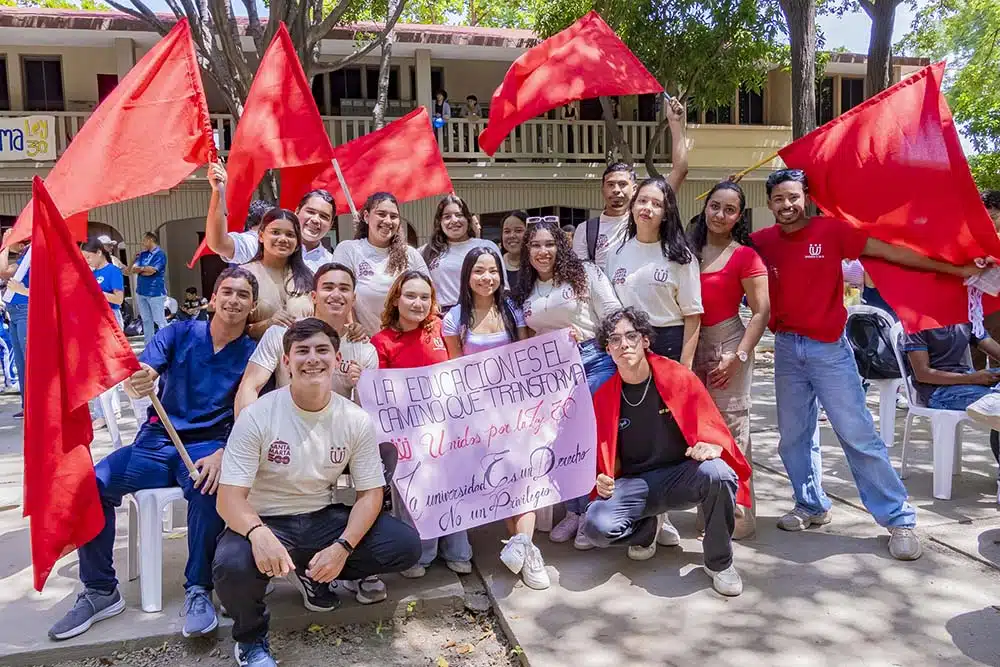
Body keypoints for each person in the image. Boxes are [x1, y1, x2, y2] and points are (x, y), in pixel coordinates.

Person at [750, 168, 983, 560]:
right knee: (793, 437)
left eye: (793, 197)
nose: (787, 205)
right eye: (778, 199)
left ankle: (899, 518)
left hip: (829, 350)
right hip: (787, 349)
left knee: (857, 434)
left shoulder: (832, 232)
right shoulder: (762, 242)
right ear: (769, 203)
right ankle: (810, 504)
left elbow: (893, 252)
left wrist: (957, 268)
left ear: (806, 197)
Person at [47, 267, 259, 642]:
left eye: (243, 295)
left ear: (253, 306)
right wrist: (138, 380)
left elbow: (256, 416)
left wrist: (225, 452)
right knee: (91, 485)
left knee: (209, 489)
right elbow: (141, 375)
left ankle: (199, 589)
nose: (234, 300)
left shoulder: (252, 355)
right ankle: (100, 590)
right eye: (227, 291)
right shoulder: (178, 333)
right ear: (213, 298)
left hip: (208, 447)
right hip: (156, 442)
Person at [213, 318, 421, 667]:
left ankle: (312, 573)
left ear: (337, 359)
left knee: (405, 545)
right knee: (230, 566)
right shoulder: (257, 416)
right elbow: (228, 498)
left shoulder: (354, 419)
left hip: (321, 517)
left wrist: (342, 548)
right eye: (302, 351)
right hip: (265, 519)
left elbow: (371, 494)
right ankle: (251, 640)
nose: (313, 359)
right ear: (286, 362)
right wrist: (258, 533)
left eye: (322, 350)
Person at [581, 307, 751, 596]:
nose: (624, 344)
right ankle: (647, 528)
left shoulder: (677, 376)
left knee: (719, 473)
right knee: (596, 526)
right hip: (635, 484)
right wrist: (600, 479)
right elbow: (601, 458)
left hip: (680, 475)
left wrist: (710, 445)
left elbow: (711, 429)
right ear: (607, 349)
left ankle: (719, 563)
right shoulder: (604, 396)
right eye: (615, 339)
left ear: (645, 340)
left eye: (631, 336)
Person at [441, 247, 549, 589]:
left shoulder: (512, 311)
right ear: (467, 276)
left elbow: (526, 357)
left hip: (515, 412)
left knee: (523, 479)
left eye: (493, 271)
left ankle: (524, 547)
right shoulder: (454, 319)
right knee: (502, 481)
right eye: (479, 271)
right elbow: (455, 370)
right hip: (478, 418)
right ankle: (524, 548)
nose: (486, 278)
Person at [512, 219, 621, 549]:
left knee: (588, 438)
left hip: (594, 360)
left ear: (561, 246)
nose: (543, 251)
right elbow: (528, 334)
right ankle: (573, 511)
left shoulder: (585, 273)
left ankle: (591, 513)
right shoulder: (525, 288)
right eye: (535, 245)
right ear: (527, 251)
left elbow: (613, 312)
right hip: (552, 373)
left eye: (549, 244)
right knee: (562, 442)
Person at [370, 271, 472, 577]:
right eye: (411, 296)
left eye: (425, 297)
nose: (418, 303)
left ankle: (457, 550)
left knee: (454, 488)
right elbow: (380, 393)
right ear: (396, 299)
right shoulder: (382, 342)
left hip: (449, 429)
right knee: (417, 494)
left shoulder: (442, 328)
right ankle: (418, 554)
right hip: (409, 435)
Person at [686, 182, 769, 539]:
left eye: (729, 209)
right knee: (699, 432)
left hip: (728, 342)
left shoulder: (746, 256)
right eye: (715, 206)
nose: (720, 215)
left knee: (732, 430)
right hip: (691, 341)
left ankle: (739, 514)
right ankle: (709, 510)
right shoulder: (686, 251)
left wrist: (739, 355)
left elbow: (761, 312)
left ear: (739, 216)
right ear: (705, 208)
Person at [573, 97, 688, 269]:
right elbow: (581, 276)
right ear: (602, 189)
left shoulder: (645, 218)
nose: (616, 190)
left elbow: (680, 170)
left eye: (622, 184)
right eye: (610, 185)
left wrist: (675, 122)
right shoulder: (586, 230)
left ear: (634, 189)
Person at [608, 176, 702, 365]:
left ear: (666, 214)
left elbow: (693, 316)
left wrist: (685, 365)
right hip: (628, 345)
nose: (647, 208)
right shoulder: (616, 253)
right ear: (632, 206)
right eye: (642, 201)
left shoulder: (681, 257)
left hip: (668, 345)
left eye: (657, 204)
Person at [331, 192, 429, 336]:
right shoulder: (348, 250)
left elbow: (430, 296)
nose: (388, 221)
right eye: (381, 214)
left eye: (393, 216)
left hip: (405, 341)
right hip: (363, 341)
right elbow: (340, 293)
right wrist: (353, 326)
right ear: (366, 216)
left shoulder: (411, 254)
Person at [420, 195, 504, 314]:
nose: (454, 220)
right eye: (447, 217)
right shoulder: (428, 250)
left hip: (478, 313)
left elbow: (502, 286)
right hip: (440, 316)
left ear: (468, 219)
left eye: (459, 215)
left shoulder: (486, 246)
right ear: (439, 222)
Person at [242, 209, 315, 340]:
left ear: (298, 243)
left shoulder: (310, 277)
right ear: (261, 236)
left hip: (304, 351)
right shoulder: (243, 276)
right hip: (255, 351)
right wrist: (268, 324)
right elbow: (231, 327)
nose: (283, 239)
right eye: (275, 232)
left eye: (290, 235)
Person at [81, 237, 127, 428]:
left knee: (108, 365)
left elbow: (118, 299)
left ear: (99, 252)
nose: (88, 261)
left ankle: (109, 412)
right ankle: (104, 411)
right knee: (96, 367)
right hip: (93, 320)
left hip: (109, 319)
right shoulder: (91, 273)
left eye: (89, 257)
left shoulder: (112, 271)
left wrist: (96, 292)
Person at [1, 234, 30, 418]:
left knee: (28, 361)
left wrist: (5, 244)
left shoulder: (30, 255)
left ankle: (35, 406)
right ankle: (27, 405)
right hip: (14, 311)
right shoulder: (24, 256)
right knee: (20, 362)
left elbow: (3, 271)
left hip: (24, 310)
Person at [127, 231, 169, 347]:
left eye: (144, 240)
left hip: (155, 292)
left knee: (159, 320)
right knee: (146, 320)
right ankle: (149, 345)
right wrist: (143, 269)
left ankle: (167, 344)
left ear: (151, 240)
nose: (142, 243)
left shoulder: (160, 254)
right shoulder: (142, 254)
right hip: (141, 292)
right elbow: (133, 269)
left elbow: (152, 271)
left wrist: (141, 270)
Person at [501, 211, 528, 288]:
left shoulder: (538, 264)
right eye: (507, 231)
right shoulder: (496, 263)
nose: (512, 235)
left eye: (518, 231)